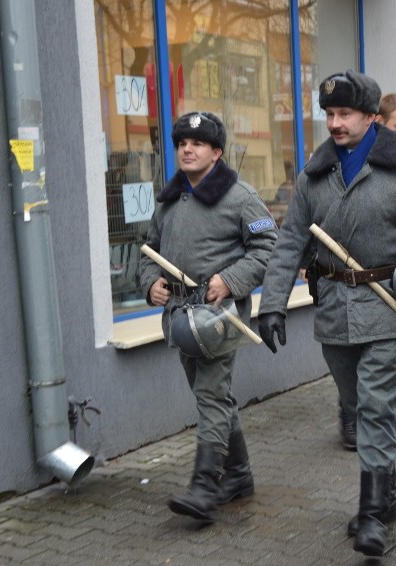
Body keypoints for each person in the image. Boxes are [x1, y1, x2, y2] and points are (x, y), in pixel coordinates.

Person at [257, 69, 396, 558]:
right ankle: (388, 493)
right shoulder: (315, 174)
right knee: (357, 406)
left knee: (376, 407)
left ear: (372, 117)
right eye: (330, 113)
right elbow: (291, 239)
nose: (335, 123)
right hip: (334, 308)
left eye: (345, 114)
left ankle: (372, 511)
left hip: (386, 304)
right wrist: (271, 304)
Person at [139, 111, 277, 526]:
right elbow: (148, 249)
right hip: (179, 318)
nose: (187, 149)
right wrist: (150, 286)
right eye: (182, 142)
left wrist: (231, 280)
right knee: (210, 395)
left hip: (219, 316)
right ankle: (238, 474)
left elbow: (269, 246)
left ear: (217, 152)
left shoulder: (240, 196)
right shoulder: (168, 199)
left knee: (212, 396)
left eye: (197, 143)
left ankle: (204, 486)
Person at [332, 91, 396, 452]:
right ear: (378, 121)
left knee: (376, 400)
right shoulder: (333, 165)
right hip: (340, 297)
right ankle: (348, 409)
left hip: (389, 294)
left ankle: (378, 497)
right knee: (352, 381)